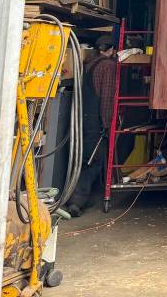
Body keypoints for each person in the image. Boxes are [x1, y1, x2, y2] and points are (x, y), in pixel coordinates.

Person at [65, 34, 117, 216]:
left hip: (82, 117)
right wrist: (107, 124)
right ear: (111, 50)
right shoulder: (108, 66)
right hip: (96, 120)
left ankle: (77, 197)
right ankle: (77, 201)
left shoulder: (89, 64)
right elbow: (107, 99)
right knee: (93, 160)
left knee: (83, 157)